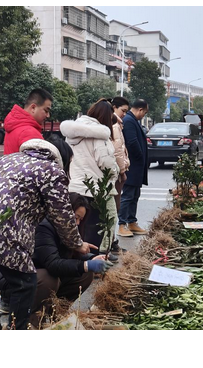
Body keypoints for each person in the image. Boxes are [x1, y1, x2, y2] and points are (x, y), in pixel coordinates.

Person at [0, 137, 95, 330]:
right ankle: (19, 326)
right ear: (62, 158)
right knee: (25, 283)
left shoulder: (8, 159)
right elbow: (62, 215)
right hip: (8, 231)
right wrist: (77, 244)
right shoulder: (51, 170)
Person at [30, 192, 113, 327]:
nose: (78, 223)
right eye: (76, 217)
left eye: (80, 219)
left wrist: (92, 258)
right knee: (49, 279)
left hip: (48, 273)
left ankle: (54, 312)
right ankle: (31, 319)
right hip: (28, 277)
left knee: (85, 275)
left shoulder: (67, 229)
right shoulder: (44, 226)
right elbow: (53, 263)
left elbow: (69, 256)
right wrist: (87, 264)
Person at [60, 98, 120, 256]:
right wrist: (116, 170)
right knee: (103, 222)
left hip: (75, 186)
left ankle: (80, 255)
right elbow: (105, 162)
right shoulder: (100, 134)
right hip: (96, 188)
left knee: (80, 224)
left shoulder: (72, 132)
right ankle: (98, 255)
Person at [118, 99, 149, 236]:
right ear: (140, 110)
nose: (144, 116)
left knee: (135, 195)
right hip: (132, 165)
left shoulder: (133, 120)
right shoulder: (129, 121)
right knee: (128, 196)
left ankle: (132, 222)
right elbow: (132, 142)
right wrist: (141, 156)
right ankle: (122, 225)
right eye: (145, 113)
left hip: (137, 166)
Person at [3, 88, 53, 155]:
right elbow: (38, 164)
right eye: (46, 111)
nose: (48, 115)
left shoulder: (14, 125)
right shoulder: (29, 132)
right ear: (33, 108)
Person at [111, 97, 132, 244]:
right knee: (114, 207)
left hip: (118, 170)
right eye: (122, 110)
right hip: (117, 172)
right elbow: (118, 151)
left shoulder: (118, 124)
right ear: (114, 108)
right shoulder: (114, 125)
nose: (124, 114)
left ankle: (111, 242)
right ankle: (111, 241)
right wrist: (122, 171)